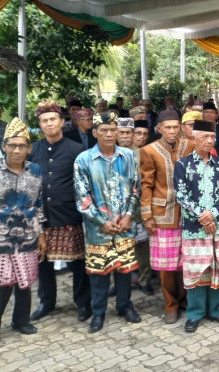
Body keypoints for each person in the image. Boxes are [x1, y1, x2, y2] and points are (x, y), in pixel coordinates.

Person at [73, 111, 142, 333]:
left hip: (124, 225)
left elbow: (135, 188)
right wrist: (101, 221)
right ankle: (99, 311)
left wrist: (129, 215)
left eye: (113, 130)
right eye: (104, 130)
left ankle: (124, 305)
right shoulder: (84, 160)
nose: (110, 134)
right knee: (98, 274)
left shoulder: (128, 156)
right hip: (98, 229)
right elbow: (82, 198)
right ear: (95, 133)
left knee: (124, 270)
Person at [29, 100, 91, 323]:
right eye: (44, 121)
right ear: (40, 124)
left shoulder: (76, 150)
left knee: (77, 262)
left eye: (53, 119)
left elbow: (84, 183)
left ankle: (83, 302)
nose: (49, 124)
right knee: (43, 262)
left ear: (62, 121)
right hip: (41, 217)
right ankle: (47, 301)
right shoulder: (33, 150)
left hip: (68, 215)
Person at [174, 120, 219, 333]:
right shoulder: (182, 165)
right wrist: (203, 217)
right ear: (193, 138)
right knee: (197, 271)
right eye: (204, 137)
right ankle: (195, 314)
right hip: (194, 228)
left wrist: (214, 214)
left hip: (218, 227)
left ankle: (215, 310)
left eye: (212, 137)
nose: (209, 141)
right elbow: (181, 195)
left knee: (216, 268)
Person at [140, 110, 194, 324]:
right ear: (159, 128)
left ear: (180, 127)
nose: (172, 131)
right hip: (162, 214)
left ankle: (185, 299)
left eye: (175, 127)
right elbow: (146, 185)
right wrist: (147, 216)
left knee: (186, 261)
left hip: (188, 214)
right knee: (166, 265)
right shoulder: (149, 151)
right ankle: (170, 304)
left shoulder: (188, 146)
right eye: (167, 127)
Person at [0, 118, 45, 336]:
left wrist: (42, 234)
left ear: (29, 148)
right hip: (2, 238)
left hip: (28, 236)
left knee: (25, 282)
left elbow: (38, 204)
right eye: (12, 145)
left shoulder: (35, 170)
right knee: (3, 282)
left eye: (22, 146)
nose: (17, 150)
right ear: (4, 146)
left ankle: (21, 321)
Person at [119, 117, 153, 296]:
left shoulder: (142, 154)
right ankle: (118, 283)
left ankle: (144, 280)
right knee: (117, 248)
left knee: (142, 249)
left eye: (128, 133)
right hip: (115, 212)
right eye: (121, 133)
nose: (125, 136)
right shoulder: (109, 154)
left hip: (139, 209)